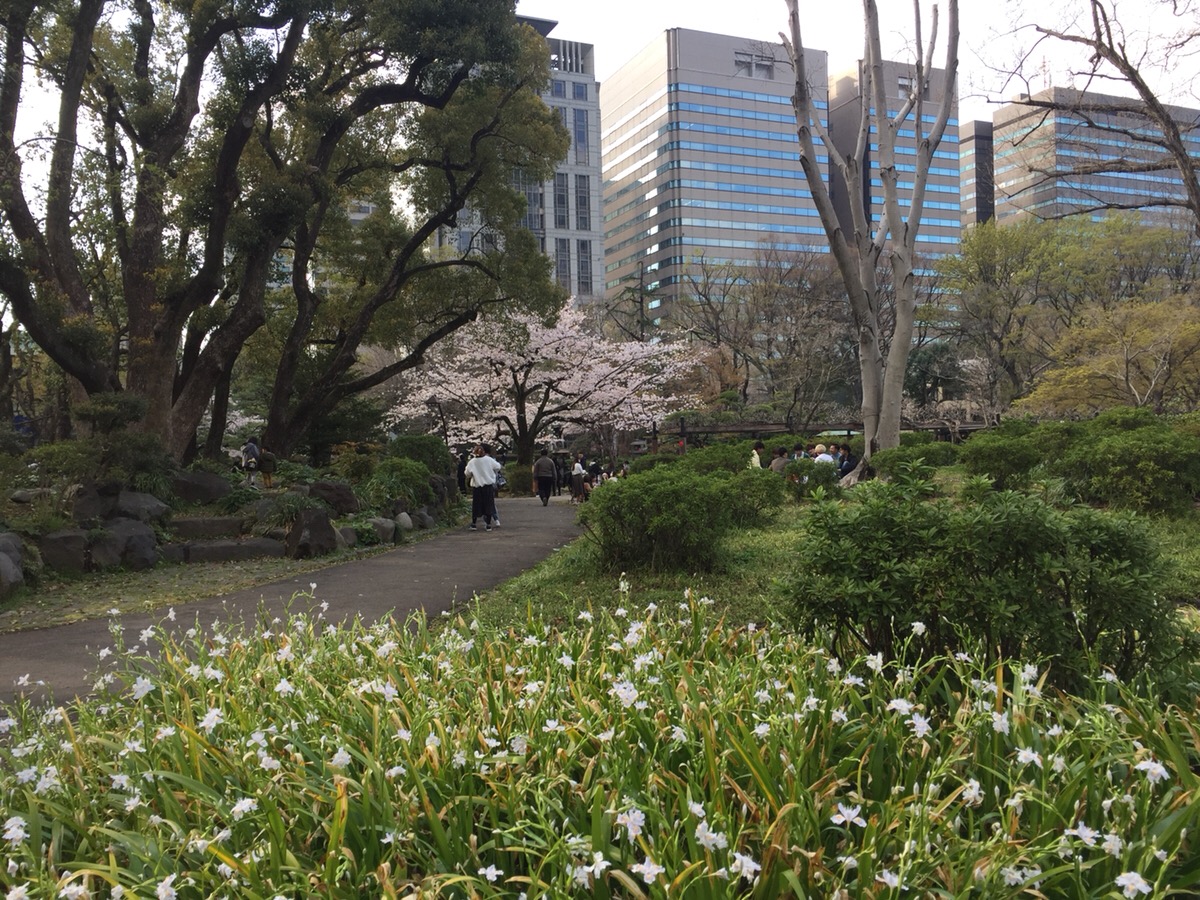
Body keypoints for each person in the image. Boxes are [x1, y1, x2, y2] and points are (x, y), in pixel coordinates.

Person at [463, 444, 502, 531]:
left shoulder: (472, 462)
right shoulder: (489, 460)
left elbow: (467, 473)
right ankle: (488, 525)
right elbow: (498, 467)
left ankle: (474, 524)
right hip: (488, 486)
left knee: (476, 505)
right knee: (488, 504)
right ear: (483, 452)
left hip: (477, 487)